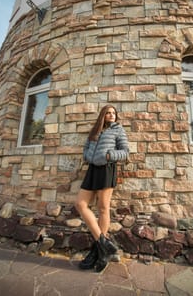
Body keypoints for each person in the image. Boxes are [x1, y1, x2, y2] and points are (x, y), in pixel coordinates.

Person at [75, 104, 129, 272]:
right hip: (92, 169)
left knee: (103, 208)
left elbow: (125, 152)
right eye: (108, 113)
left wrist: (109, 155)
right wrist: (87, 156)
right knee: (80, 204)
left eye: (114, 113)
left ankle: (97, 253)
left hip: (107, 168)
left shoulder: (118, 130)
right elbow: (86, 147)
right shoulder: (95, 130)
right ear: (103, 115)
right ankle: (103, 244)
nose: (112, 115)